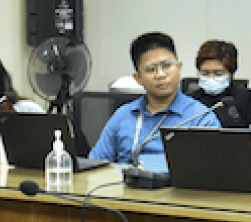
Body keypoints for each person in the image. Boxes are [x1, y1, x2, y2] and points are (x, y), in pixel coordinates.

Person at [89, 32, 222, 171]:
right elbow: (94, 165)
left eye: (167, 65)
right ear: (138, 78)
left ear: (179, 68)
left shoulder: (202, 118)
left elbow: (212, 172)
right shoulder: (123, 115)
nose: (161, 75)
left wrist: (149, 165)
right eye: (151, 69)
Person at [186, 40, 251, 128]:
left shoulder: (245, 98)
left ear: (231, 74)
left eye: (218, 73)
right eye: (205, 73)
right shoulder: (190, 100)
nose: (211, 77)